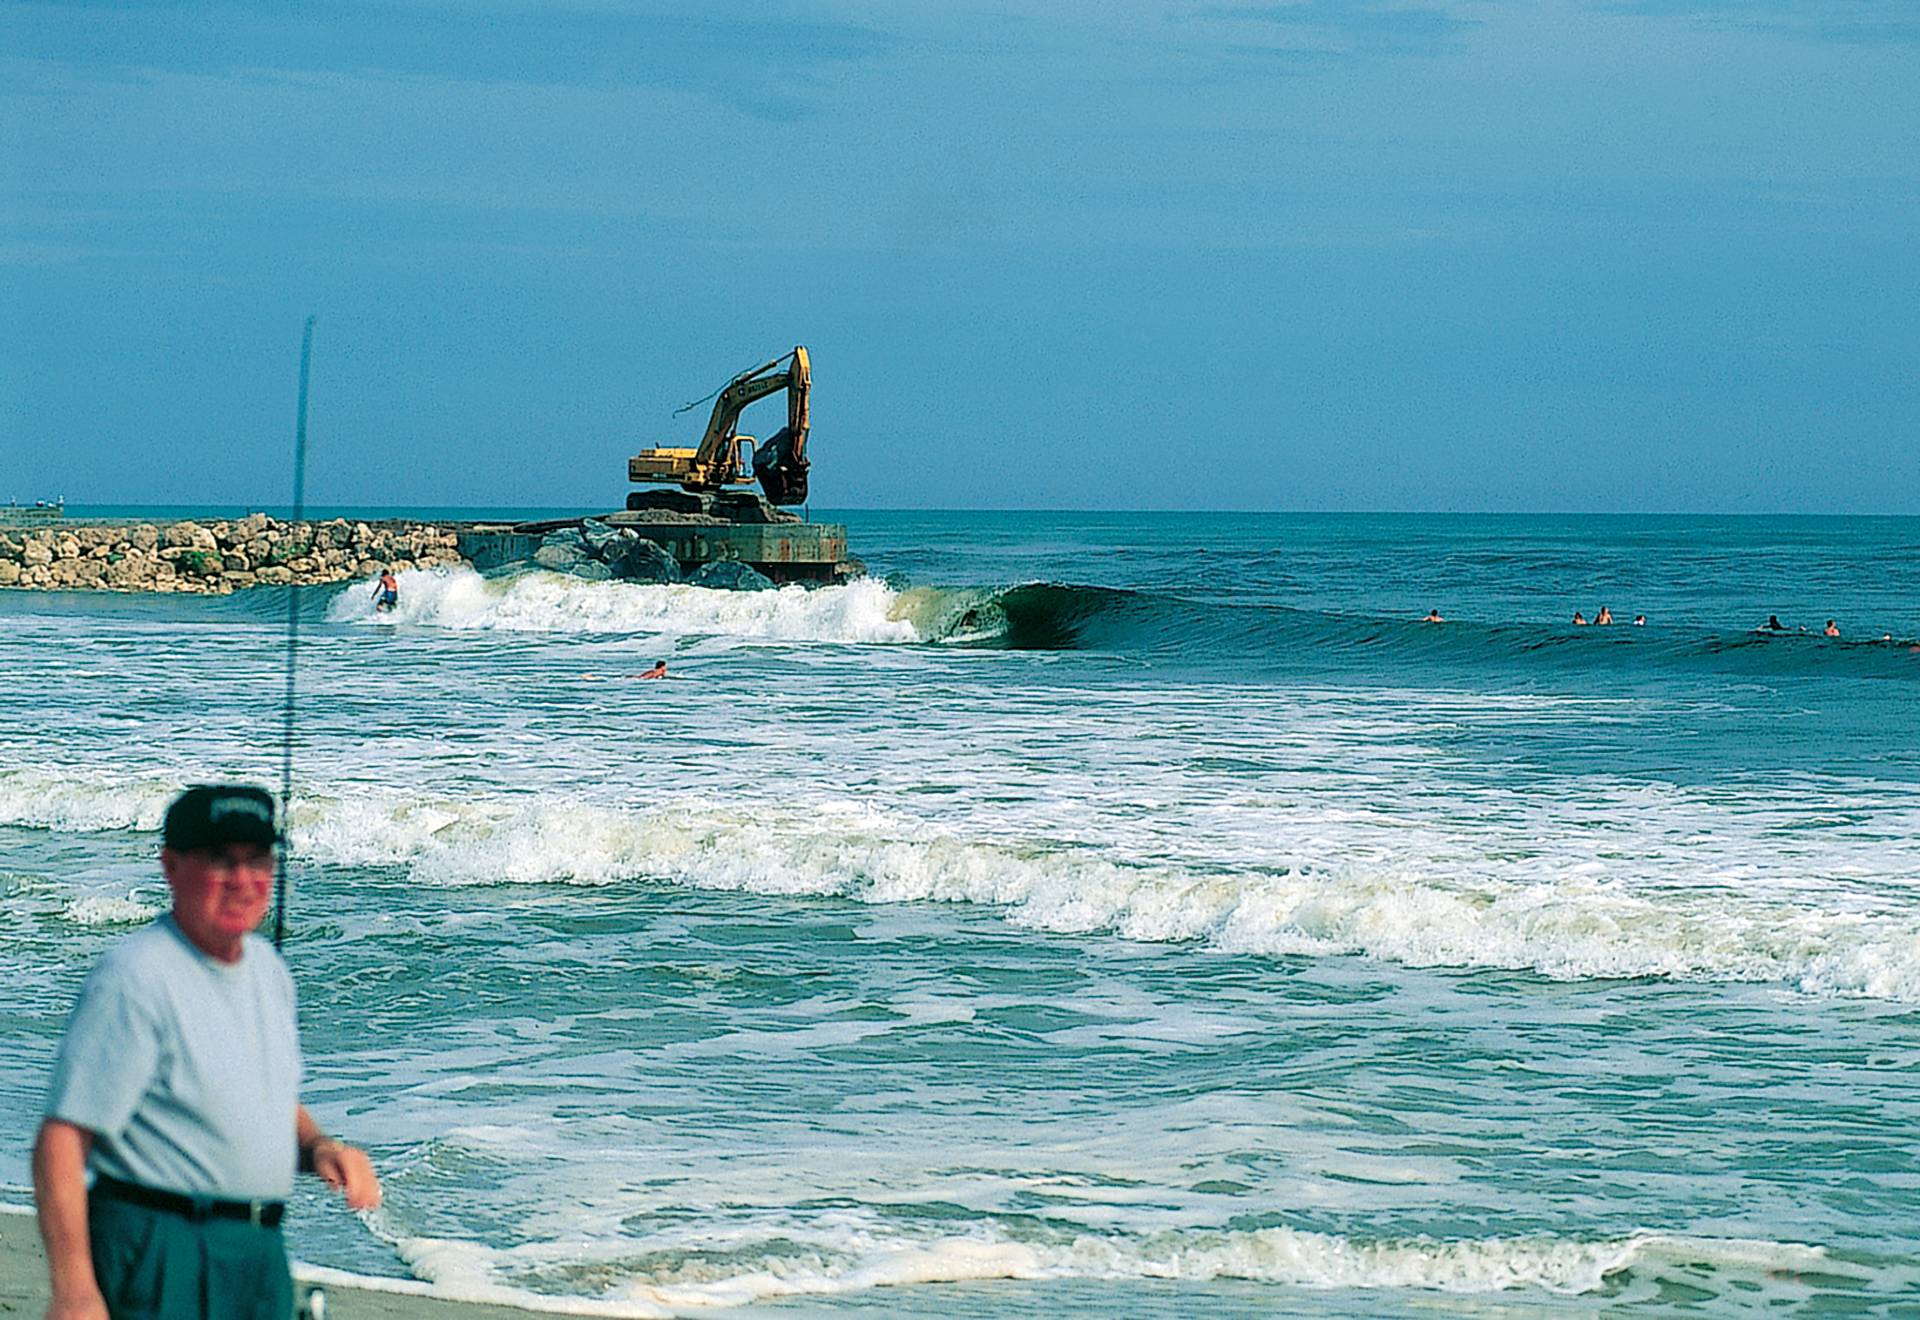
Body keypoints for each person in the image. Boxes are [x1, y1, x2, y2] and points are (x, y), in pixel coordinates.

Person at [34, 785, 381, 1320]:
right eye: (221, 861)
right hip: (159, 1249)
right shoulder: (135, 979)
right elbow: (61, 1141)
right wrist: (75, 1289)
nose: (243, 880)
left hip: (257, 1252)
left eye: (258, 860)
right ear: (171, 866)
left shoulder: (269, 971)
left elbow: (266, 1101)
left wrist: (319, 1148)